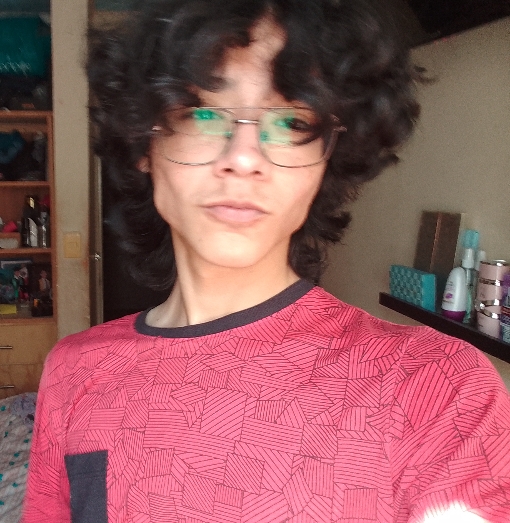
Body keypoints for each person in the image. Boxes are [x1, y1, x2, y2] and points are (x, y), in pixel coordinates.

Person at [22, 0, 510, 522]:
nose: (243, 158)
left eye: (292, 120)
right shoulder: (74, 371)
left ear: (327, 159)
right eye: (201, 112)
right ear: (144, 141)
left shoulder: (437, 390)